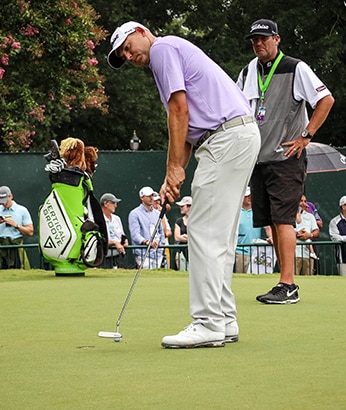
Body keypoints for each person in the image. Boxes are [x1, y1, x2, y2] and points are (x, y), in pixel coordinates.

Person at [108, 21, 261, 348]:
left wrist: (174, 169)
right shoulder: (170, 54)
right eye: (122, 54)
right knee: (219, 236)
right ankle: (224, 319)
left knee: (203, 233)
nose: (128, 55)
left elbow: (179, 112)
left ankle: (207, 323)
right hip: (235, 136)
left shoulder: (162, 48)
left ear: (140, 30)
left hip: (226, 139)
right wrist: (172, 175)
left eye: (126, 46)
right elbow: (188, 130)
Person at [236, 18, 334, 304]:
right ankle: (283, 282)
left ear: (277, 39)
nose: (258, 43)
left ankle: (288, 284)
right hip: (258, 159)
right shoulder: (248, 70)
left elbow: (326, 100)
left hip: (286, 157)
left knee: (282, 221)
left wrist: (306, 135)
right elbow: (236, 107)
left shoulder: (295, 67)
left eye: (264, 38)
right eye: (254, 39)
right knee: (271, 222)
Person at [0, 186, 34, 269]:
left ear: (11, 196)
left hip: (17, 247)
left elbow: (30, 232)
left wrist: (16, 225)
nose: (4, 203)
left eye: (5, 200)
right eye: (1, 201)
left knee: (21, 274)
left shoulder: (22, 210)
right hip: (1, 247)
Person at [128, 187, 166, 270]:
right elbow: (135, 235)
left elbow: (161, 232)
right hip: (143, 254)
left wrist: (162, 246)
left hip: (158, 254)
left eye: (152, 195)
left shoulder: (157, 213)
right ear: (142, 197)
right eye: (148, 196)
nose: (151, 198)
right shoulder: (134, 214)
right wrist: (147, 242)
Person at [235, 187, 262, 273]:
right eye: (247, 196)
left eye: (251, 195)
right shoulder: (236, 212)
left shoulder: (258, 212)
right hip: (240, 253)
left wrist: (271, 237)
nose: (250, 198)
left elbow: (268, 228)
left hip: (257, 253)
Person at [100, 193, 128, 269]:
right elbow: (100, 241)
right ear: (105, 204)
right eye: (113, 203)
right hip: (104, 258)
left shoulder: (117, 219)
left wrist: (125, 241)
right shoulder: (98, 220)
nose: (115, 205)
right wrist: (114, 243)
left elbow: (122, 235)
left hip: (118, 257)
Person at [294, 196, 319, 276]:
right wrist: (297, 234)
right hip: (294, 254)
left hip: (307, 255)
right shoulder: (288, 216)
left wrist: (309, 235)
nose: (303, 203)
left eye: (305, 201)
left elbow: (317, 232)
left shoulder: (310, 216)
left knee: (308, 279)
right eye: (301, 201)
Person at [173, 196, 192, 270]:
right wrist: (190, 238)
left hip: (195, 254)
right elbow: (177, 237)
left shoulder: (197, 221)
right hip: (181, 253)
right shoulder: (179, 221)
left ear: (189, 206)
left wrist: (185, 237)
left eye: (182, 206)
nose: (180, 208)